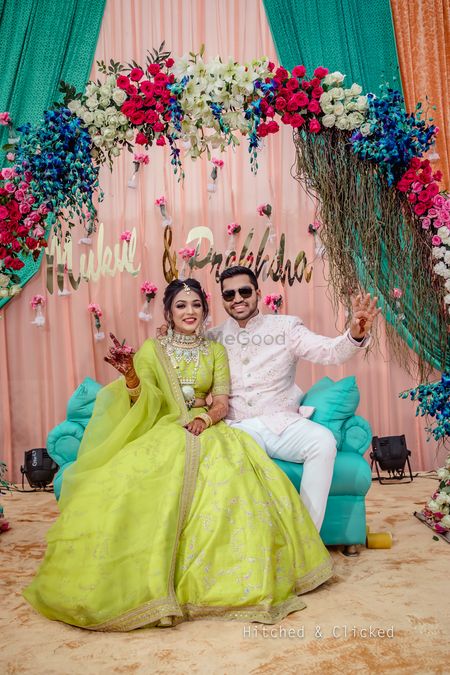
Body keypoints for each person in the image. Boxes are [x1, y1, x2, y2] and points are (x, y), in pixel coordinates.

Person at [23, 278, 333, 631]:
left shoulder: (214, 349)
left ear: (204, 309)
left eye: (196, 305)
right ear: (168, 312)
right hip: (166, 429)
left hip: (210, 430)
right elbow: (145, 404)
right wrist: (131, 378)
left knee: (232, 479)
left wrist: (204, 417)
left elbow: (221, 401)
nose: (190, 312)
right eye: (181, 306)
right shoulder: (153, 350)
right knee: (130, 480)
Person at [207, 266, 380, 532]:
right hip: (237, 427)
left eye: (244, 291)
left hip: (282, 423)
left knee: (323, 442)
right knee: (238, 456)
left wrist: (355, 334)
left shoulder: (286, 327)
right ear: (223, 300)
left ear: (258, 293)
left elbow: (329, 352)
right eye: (229, 294)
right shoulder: (213, 338)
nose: (237, 299)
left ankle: (306, 538)